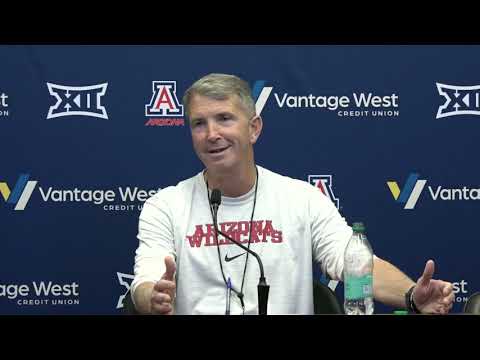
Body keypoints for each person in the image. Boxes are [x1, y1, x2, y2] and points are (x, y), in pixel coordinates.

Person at [131, 73, 454, 315]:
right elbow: (145, 281)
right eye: (199, 124)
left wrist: (412, 295)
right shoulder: (166, 205)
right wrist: (153, 297)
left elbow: (353, 264)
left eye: (225, 119)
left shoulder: (301, 198)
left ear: (254, 128)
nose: (212, 134)